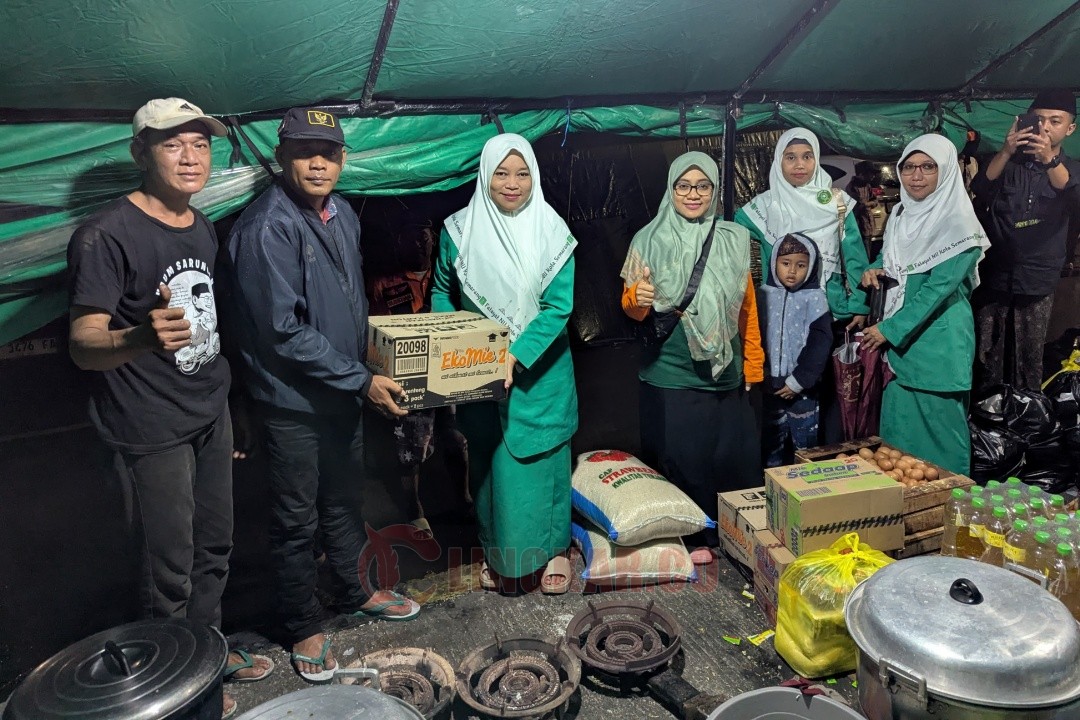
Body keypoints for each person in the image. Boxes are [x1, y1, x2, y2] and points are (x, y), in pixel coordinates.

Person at [67, 97, 272, 719]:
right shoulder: (106, 235)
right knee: (169, 571)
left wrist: (230, 403)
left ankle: (204, 660)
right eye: (173, 144)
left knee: (215, 550)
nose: (191, 157)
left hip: (207, 413)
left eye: (201, 144)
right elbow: (82, 345)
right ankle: (176, 694)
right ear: (141, 153)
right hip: (150, 426)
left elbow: (207, 331)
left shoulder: (201, 224)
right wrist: (138, 337)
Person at [224, 107, 419, 685]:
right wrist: (361, 378)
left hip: (339, 391)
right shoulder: (267, 227)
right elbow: (281, 332)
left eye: (329, 153)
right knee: (294, 518)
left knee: (344, 500)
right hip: (293, 403)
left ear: (342, 159)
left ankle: (356, 590)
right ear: (283, 158)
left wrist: (366, 365)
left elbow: (347, 303)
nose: (318, 163)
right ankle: (303, 623)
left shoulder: (341, 217)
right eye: (306, 152)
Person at [431, 133, 578, 595]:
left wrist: (515, 353)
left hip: (541, 376)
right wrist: (455, 341)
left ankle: (556, 551)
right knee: (493, 471)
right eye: (501, 172)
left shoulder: (553, 233)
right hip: (480, 372)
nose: (512, 183)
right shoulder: (458, 231)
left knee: (543, 465)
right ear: (485, 175)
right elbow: (441, 290)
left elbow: (558, 307)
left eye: (522, 173)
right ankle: (499, 554)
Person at [621, 151, 763, 565]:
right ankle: (690, 538)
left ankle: (733, 536)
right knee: (683, 458)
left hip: (726, 369)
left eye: (703, 186)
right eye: (684, 186)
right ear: (671, 189)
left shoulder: (736, 238)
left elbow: (748, 309)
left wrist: (753, 362)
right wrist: (636, 298)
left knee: (729, 456)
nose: (693, 194)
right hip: (673, 369)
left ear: (716, 190)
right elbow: (632, 309)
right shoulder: (647, 239)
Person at [861, 134, 990, 475]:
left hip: (936, 351)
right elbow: (899, 264)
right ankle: (907, 521)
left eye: (928, 167)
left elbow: (937, 289)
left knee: (942, 450)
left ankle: (948, 520)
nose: (916, 176)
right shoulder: (902, 214)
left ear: (946, 171)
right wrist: (876, 269)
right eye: (909, 167)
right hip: (901, 355)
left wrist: (889, 329)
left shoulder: (961, 227)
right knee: (898, 450)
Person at [367, 221, 470, 539]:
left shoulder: (450, 277)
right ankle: (414, 511)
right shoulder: (385, 282)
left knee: (456, 437)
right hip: (408, 376)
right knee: (411, 446)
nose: (417, 243)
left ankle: (464, 499)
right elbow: (375, 330)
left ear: (433, 239)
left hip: (450, 368)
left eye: (423, 236)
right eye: (409, 236)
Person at [971, 89, 1079, 391]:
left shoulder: (1072, 168)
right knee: (988, 353)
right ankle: (988, 417)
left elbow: (1073, 195)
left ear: (1069, 129)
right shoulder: (1010, 163)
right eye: (1038, 119)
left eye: (1055, 121)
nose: (1044, 127)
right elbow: (981, 188)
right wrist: (1006, 150)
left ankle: (1026, 419)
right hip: (997, 275)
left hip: (1037, 278)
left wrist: (1048, 160)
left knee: (1029, 356)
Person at [735, 128, 871, 327]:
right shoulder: (763, 207)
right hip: (779, 314)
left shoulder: (837, 203)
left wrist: (860, 306)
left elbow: (855, 258)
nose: (800, 164)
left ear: (816, 159)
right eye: (790, 157)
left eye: (807, 156)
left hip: (830, 310)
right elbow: (724, 227)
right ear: (778, 161)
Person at [758, 233, 833, 467]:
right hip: (767, 384)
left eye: (801, 265)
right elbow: (754, 336)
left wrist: (798, 381)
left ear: (811, 267)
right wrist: (760, 373)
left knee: (806, 446)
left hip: (802, 389)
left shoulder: (815, 298)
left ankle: (806, 491)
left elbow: (820, 343)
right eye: (785, 263)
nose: (792, 271)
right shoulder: (762, 294)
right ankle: (771, 488)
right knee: (770, 443)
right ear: (774, 263)